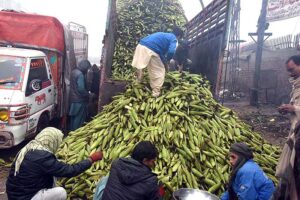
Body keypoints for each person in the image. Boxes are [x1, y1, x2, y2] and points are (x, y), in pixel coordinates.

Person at [6, 127, 103, 200]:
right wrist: (91, 159)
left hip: (13, 194)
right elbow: (70, 171)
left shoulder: (28, 148)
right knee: (61, 192)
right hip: (25, 197)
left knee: (52, 177)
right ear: (53, 140)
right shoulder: (43, 157)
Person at [274, 55, 300, 199]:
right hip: (296, 133)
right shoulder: (296, 86)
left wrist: (294, 109)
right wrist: (288, 109)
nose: (290, 73)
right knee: (292, 173)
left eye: (292, 69)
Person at [132, 26, 184, 97]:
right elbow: (171, 51)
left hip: (141, 45)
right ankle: (155, 93)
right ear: (179, 36)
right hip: (153, 49)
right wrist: (167, 60)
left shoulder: (162, 34)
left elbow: (160, 52)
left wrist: (164, 60)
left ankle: (139, 80)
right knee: (158, 72)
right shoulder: (174, 39)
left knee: (140, 64)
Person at [69, 59, 91, 131]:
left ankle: (70, 133)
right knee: (78, 120)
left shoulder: (73, 72)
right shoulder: (80, 74)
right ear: (84, 67)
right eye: (87, 69)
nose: (87, 71)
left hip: (73, 100)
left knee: (73, 119)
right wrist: (88, 94)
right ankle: (75, 135)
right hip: (80, 101)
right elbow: (81, 89)